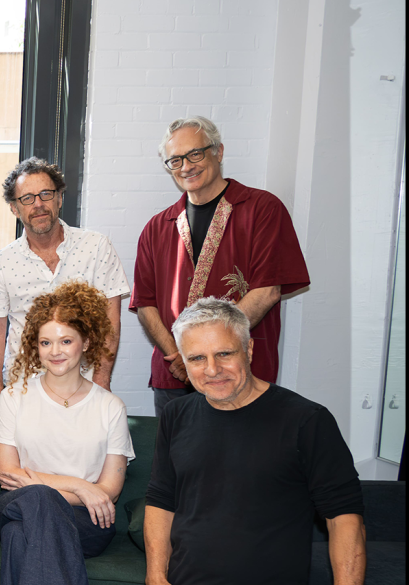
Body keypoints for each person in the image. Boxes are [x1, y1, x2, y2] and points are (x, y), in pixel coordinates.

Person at [145, 297, 363, 585]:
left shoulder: (306, 421)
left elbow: (345, 519)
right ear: (182, 364)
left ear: (248, 349)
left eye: (224, 354)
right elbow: (161, 502)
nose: (212, 369)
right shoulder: (178, 417)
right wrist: (156, 582)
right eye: (197, 359)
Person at [0, 281, 133, 585]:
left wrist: (74, 490)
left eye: (66, 340)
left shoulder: (109, 407)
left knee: (20, 537)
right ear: (34, 345)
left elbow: (111, 491)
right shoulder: (15, 397)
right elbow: (7, 475)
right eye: (46, 341)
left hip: (85, 522)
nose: (56, 350)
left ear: (86, 342)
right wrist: (79, 484)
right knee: (38, 503)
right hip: (14, 502)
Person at [132, 117, 310, 415]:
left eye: (195, 154)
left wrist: (202, 352)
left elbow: (267, 291)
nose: (186, 166)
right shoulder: (156, 227)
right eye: (175, 160)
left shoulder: (262, 209)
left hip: (239, 376)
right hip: (173, 379)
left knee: (244, 460)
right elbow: (145, 305)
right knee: (176, 460)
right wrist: (181, 357)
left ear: (219, 151)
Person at [0, 158, 129, 411]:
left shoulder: (96, 247)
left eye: (46, 194)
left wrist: (101, 380)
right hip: (22, 388)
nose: (38, 204)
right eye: (27, 198)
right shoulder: (2, 262)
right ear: (14, 209)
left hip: (84, 385)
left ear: (59, 198)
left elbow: (110, 321)